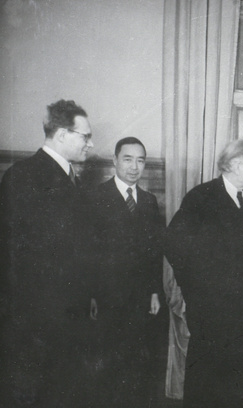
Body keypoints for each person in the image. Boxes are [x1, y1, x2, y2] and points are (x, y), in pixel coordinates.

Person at [165, 139, 243, 407]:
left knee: (241, 383)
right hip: (211, 312)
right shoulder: (201, 197)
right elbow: (173, 243)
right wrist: (196, 291)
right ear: (236, 165)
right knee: (208, 382)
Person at [0, 100, 95, 406]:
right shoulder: (24, 176)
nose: (90, 144)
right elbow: (15, 253)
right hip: (37, 319)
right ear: (62, 134)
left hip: (65, 316)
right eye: (85, 136)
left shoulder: (70, 177)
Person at [87, 137, 166, 407]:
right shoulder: (96, 197)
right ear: (115, 161)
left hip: (141, 298)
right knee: (107, 364)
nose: (134, 167)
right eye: (128, 159)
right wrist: (92, 296)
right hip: (107, 298)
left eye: (140, 160)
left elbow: (155, 252)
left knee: (137, 363)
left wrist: (156, 291)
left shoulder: (149, 201)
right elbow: (88, 254)